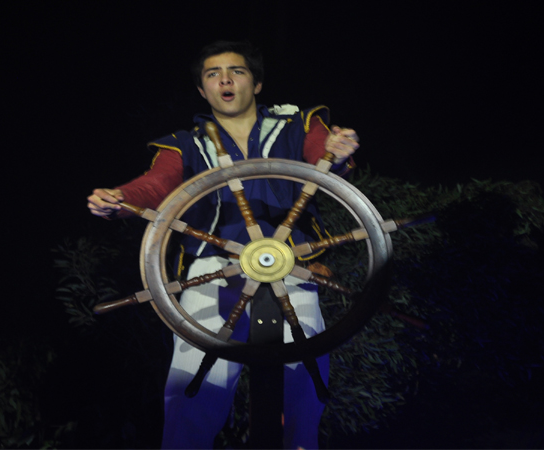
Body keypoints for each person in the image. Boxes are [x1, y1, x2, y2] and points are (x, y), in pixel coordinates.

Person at [87, 40, 359, 449]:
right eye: (213, 74)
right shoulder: (184, 143)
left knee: (306, 372)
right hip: (210, 270)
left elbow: (323, 152)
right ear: (202, 90)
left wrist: (337, 151)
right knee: (195, 383)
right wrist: (121, 199)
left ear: (258, 83)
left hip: (288, 264)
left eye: (237, 71)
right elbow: (156, 185)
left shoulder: (298, 125)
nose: (225, 79)